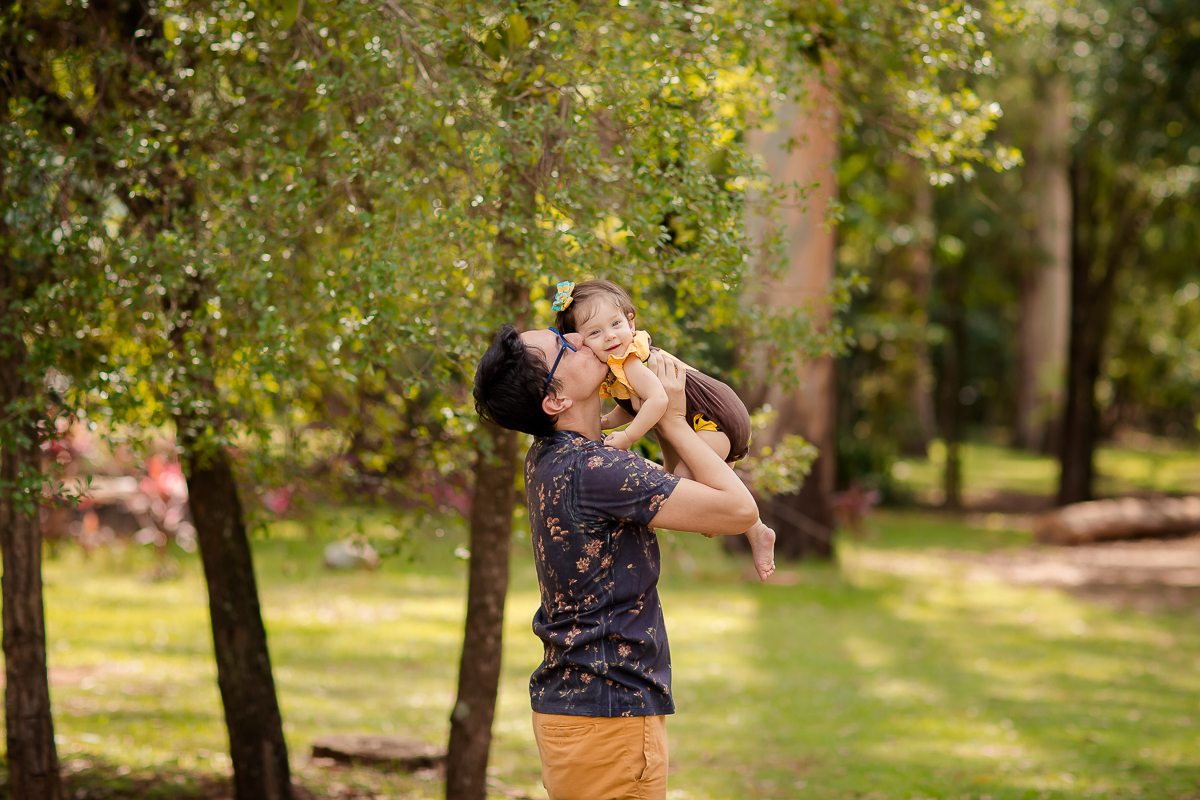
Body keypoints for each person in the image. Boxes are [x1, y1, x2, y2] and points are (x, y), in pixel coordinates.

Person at [473, 323, 761, 800]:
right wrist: (668, 418)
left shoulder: (555, 456)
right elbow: (737, 510)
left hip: (585, 712)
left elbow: (691, 499)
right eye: (567, 346)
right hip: (609, 718)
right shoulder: (597, 469)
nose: (585, 339)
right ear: (556, 400)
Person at [551, 278, 776, 581]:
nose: (609, 336)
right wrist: (606, 422)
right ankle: (756, 531)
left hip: (715, 420)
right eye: (594, 332)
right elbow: (631, 403)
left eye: (616, 323)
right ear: (580, 342)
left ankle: (731, 522)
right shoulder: (618, 368)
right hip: (709, 420)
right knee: (692, 488)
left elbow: (657, 401)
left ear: (631, 322)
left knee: (680, 487)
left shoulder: (629, 359)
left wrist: (628, 437)